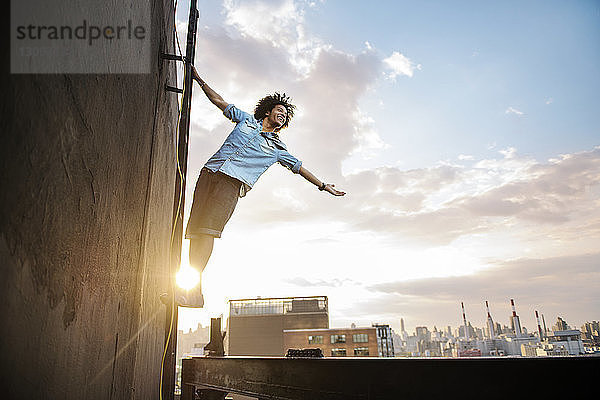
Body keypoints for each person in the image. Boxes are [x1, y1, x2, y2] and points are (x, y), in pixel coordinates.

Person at [178, 66, 346, 307]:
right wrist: (198, 79)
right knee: (195, 233)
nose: (283, 115)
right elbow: (219, 101)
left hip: (231, 184)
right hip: (209, 174)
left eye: (286, 115)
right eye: (280, 110)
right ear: (268, 111)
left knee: (207, 231)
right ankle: (192, 293)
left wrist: (322, 185)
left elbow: (299, 168)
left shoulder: (278, 149)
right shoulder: (246, 120)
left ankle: (194, 293)